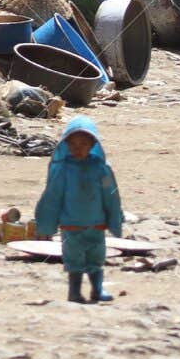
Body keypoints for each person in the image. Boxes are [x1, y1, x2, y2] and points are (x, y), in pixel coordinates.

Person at [34, 116, 123, 305]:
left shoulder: (102, 170)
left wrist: (114, 219)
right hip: (71, 226)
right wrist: (45, 224)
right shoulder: (63, 170)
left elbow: (111, 194)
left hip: (96, 224)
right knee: (74, 260)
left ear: (92, 144)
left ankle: (97, 289)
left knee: (96, 258)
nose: (78, 148)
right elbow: (52, 197)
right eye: (73, 144)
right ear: (66, 145)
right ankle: (74, 292)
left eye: (83, 143)